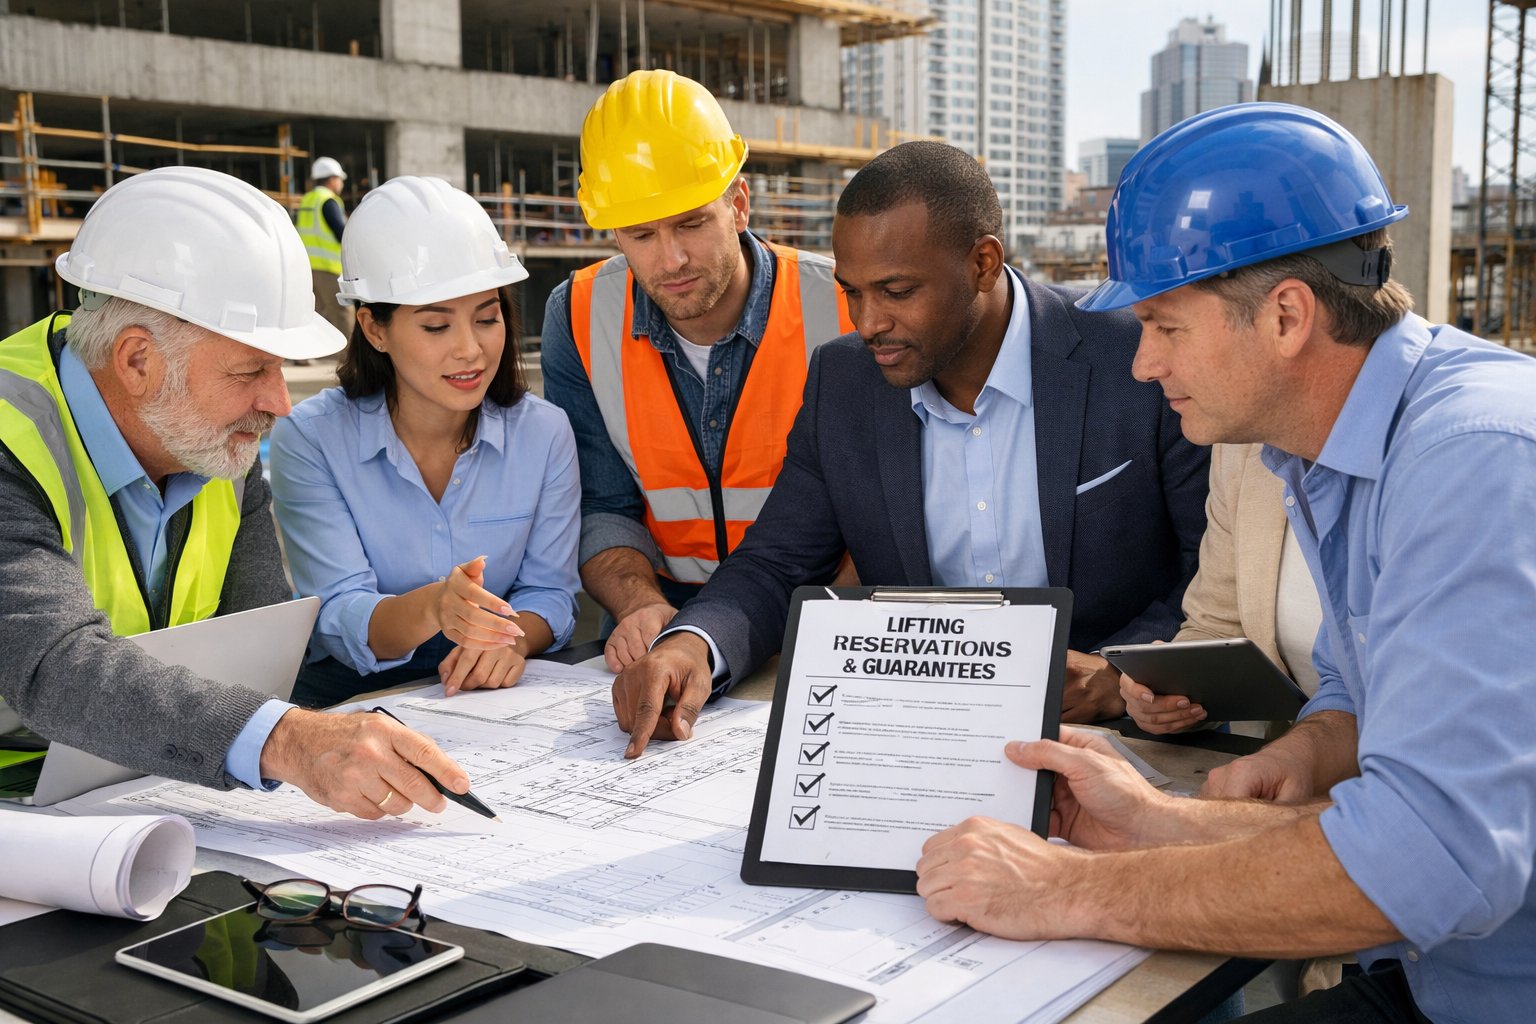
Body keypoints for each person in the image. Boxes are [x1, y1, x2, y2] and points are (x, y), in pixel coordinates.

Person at [915, 103, 1536, 1022]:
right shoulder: (1334, 449)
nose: (1142, 364)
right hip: (1447, 971)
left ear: (1286, 315)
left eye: (1164, 325)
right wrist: (1163, 819)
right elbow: (1374, 699)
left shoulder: (1476, 457)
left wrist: (1059, 892)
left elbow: (1433, 858)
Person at [613, 140, 1210, 758]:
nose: (868, 322)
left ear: (982, 263)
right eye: (852, 292)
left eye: (897, 291)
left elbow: (1214, 569)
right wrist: (692, 646)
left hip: (1125, 741)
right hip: (919, 742)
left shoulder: (1132, 360)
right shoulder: (842, 383)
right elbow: (776, 564)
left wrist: (1119, 677)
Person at [0, 166, 474, 820]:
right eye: (252, 370)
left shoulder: (209, 433)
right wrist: (291, 742)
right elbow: (53, 667)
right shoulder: (10, 436)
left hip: (137, 793)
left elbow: (260, 645)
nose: (278, 403)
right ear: (138, 361)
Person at [540, 69, 853, 673]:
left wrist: (827, 622)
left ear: (738, 204)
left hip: (812, 618)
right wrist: (640, 607)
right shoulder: (577, 317)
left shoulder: (840, 304)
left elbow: (878, 508)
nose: (672, 259)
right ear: (615, 233)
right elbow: (603, 503)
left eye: (691, 223)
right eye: (642, 234)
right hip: (657, 616)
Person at [270, 176, 580, 709]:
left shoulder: (545, 434)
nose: (471, 350)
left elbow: (550, 591)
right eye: (437, 327)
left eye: (487, 318)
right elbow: (341, 613)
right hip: (350, 700)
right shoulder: (311, 439)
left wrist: (514, 641)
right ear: (374, 330)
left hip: (494, 696)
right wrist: (436, 608)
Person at [1120, 442, 1323, 735]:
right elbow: (1216, 625)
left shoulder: (1401, 459)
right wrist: (1171, 694)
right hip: (1278, 760)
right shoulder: (1238, 448)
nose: (1162, 393)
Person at [296, 156, 353, 343]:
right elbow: (341, 233)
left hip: (307, 268)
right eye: (340, 179)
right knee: (343, 312)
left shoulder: (307, 200)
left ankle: (301, 355)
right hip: (328, 267)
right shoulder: (327, 201)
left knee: (312, 314)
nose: (341, 183)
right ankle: (351, 360)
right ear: (332, 179)